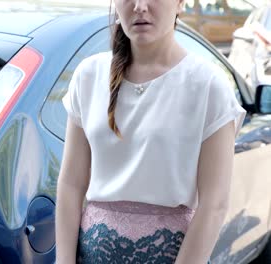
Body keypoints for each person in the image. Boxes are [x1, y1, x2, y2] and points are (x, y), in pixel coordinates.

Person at [55, 0, 246, 263]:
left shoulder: (208, 85)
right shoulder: (88, 76)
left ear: (180, 3)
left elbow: (214, 204)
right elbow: (71, 183)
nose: (140, 6)